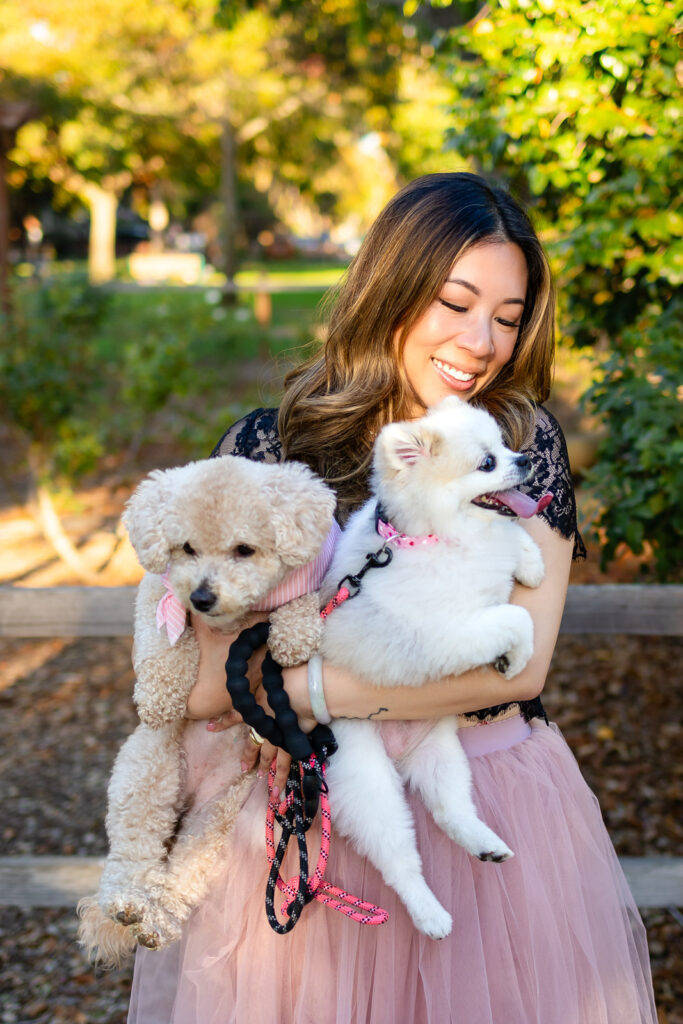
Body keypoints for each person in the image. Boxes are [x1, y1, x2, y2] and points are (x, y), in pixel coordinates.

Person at [127, 173, 657, 1024]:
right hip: (302, 819)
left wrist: (297, 692)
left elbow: (514, 668)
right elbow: (192, 679)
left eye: (508, 317)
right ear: (394, 288)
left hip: (484, 792)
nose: (481, 341)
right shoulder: (270, 447)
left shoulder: (518, 444)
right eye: (455, 302)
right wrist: (268, 690)